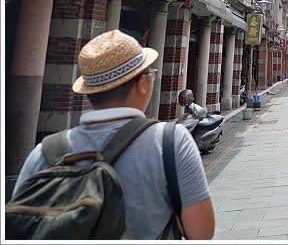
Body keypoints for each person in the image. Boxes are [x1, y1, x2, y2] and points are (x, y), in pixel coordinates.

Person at [11, 30, 215, 239]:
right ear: (142, 84)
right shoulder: (171, 142)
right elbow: (201, 233)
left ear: (88, 91)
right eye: (150, 73)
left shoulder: (44, 153)